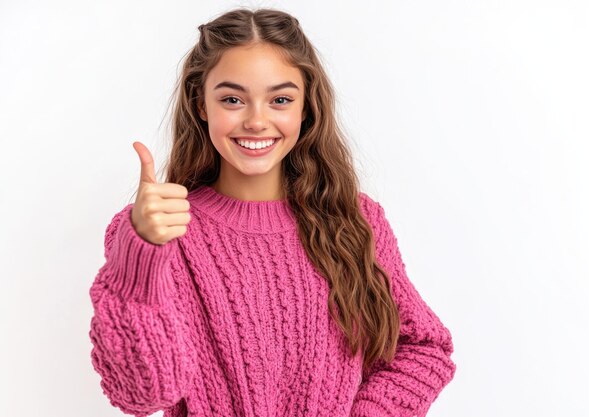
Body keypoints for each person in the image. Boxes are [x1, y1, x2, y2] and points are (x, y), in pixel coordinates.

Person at [88, 7, 456, 417]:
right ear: (201, 105)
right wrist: (142, 252)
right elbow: (141, 394)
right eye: (232, 99)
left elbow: (423, 348)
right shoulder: (154, 232)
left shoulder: (355, 220)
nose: (257, 121)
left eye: (280, 99)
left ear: (306, 108)